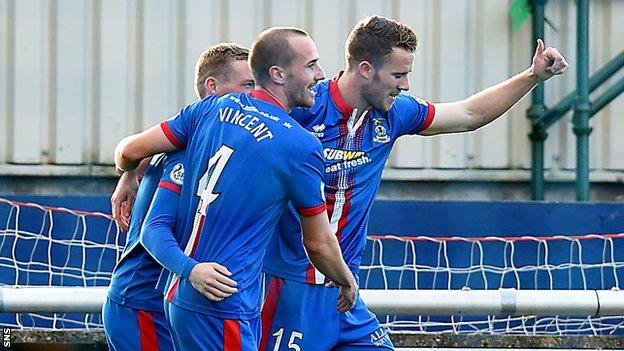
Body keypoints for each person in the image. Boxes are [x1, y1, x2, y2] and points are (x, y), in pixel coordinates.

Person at [260, 15, 569, 350]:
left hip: (344, 294)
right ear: (365, 69)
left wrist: (533, 76)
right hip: (290, 287)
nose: (405, 85)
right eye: (398, 74)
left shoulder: (395, 113)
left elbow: (468, 114)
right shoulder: (301, 108)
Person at [113, 27, 358, 350]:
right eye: (311, 65)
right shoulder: (300, 145)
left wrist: (128, 173)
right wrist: (347, 280)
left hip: (178, 295)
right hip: (221, 300)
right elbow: (318, 244)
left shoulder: (208, 111)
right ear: (278, 74)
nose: (321, 75)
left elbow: (129, 152)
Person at [103, 42, 255, 351]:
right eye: (247, 86)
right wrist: (192, 271)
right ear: (213, 88)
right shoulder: (187, 151)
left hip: (168, 304)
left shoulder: (214, 144)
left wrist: (129, 174)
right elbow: (153, 230)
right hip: (142, 304)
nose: (255, 95)